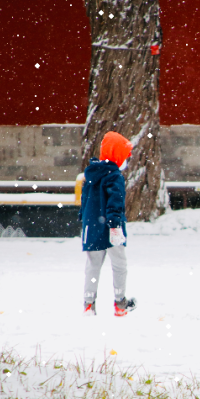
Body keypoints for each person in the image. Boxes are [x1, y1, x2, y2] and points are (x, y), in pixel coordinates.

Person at [79, 131, 138, 317]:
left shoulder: (91, 174)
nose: (127, 159)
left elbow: (85, 201)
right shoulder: (114, 176)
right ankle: (120, 303)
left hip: (92, 226)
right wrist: (114, 226)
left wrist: (85, 220)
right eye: (125, 155)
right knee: (119, 264)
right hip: (112, 227)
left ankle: (89, 304)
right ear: (117, 155)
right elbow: (116, 203)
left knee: (93, 265)